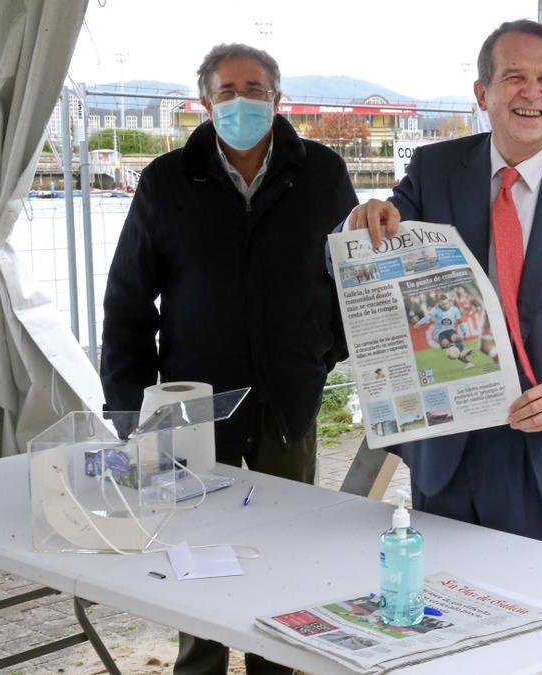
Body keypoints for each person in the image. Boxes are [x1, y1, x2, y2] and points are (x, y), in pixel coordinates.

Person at [100, 43, 357, 675]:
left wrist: (322, 353)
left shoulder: (321, 173)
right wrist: (128, 404)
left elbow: (352, 281)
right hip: (191, 406)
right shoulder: (167, 180)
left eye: (255, 89)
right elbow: (128, 299)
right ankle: (199, 666)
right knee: (195, 552)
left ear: (277, 98)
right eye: (226, 91)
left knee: (284, 549)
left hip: (287, 400)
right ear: (206, 101)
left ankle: (278, 664)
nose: (241, 101)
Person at [343, 19, 542, 553]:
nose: (532, 93)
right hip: (450, 458)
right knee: (449, 612)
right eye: (514, 76)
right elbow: (381, 245)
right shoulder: (435, 171)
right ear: (483, 92)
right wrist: (362, 224)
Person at [414, 294, 474, 368]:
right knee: (451, 349)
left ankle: (463, 353)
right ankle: (466, 360)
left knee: (455, 338)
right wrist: (419, 323)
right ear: (439, 303)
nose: (445, 305)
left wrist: (464, 330)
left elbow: (460, 321)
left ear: (449, 302)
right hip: (441, 333)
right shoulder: (435, 309)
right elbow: (428, 317)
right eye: (443, 304)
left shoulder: (454, 309)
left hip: (450, 330)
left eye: (446, 303)